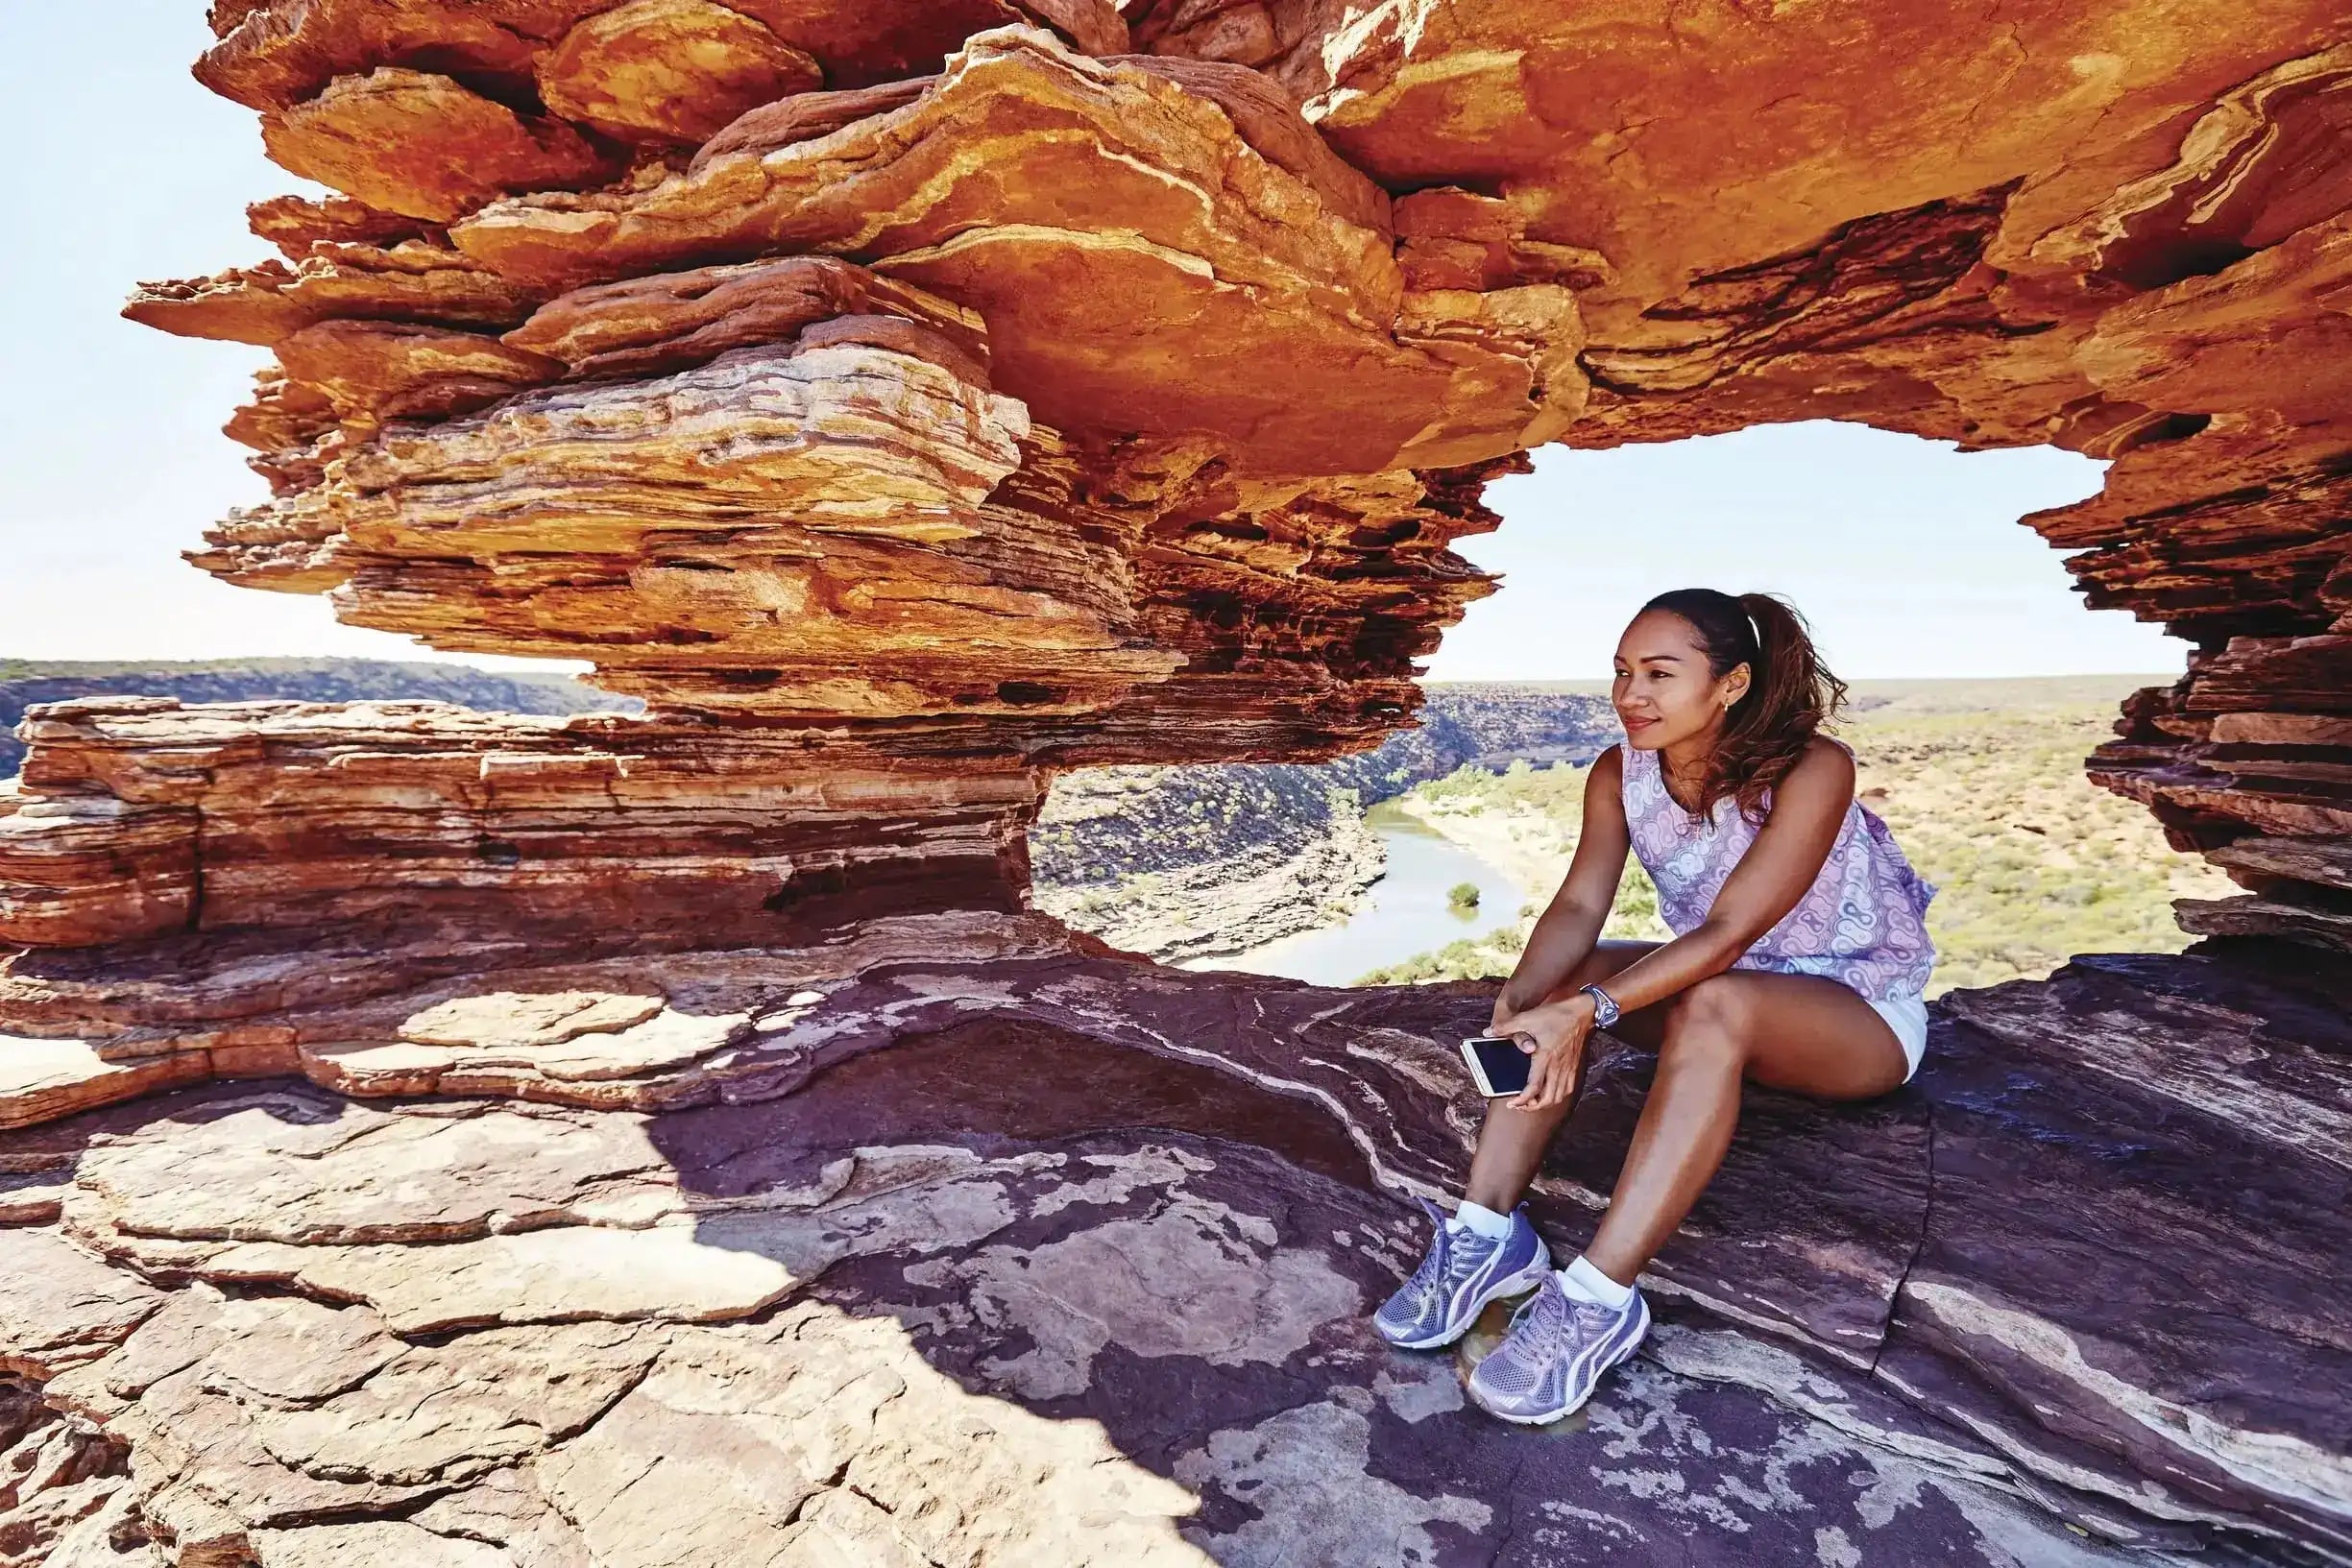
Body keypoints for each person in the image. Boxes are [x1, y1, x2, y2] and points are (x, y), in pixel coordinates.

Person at [1373, 588, 1937, 1425]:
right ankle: (1486, 1238)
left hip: (1854, 1013)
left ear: (1732, 684)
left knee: (1708, 1001)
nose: (1629, 694)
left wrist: (1590, 1011)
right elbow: (1576, 908)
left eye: (1659, 674)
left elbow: (1727, 930)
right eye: (1621, 671)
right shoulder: (1620, 771)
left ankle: (1598, 1298)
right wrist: (1526, 1002)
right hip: (1719, 993)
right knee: (1569, 985)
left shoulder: (1816, 768)